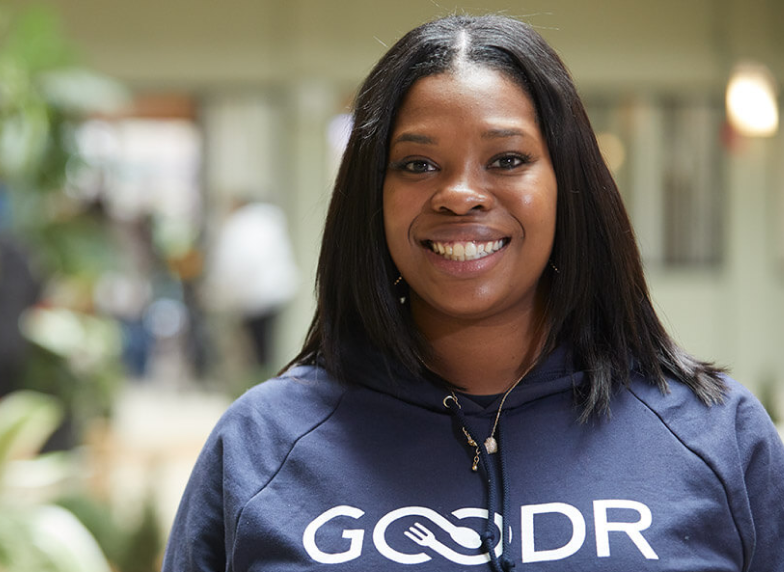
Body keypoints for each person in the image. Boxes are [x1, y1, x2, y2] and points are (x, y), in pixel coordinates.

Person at [162, 15, 784, 571]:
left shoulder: (716, 435)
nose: (459, 194)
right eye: (417, 165)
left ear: (570, 184)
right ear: (369, 199)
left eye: (508, 160)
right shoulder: (260, 444)